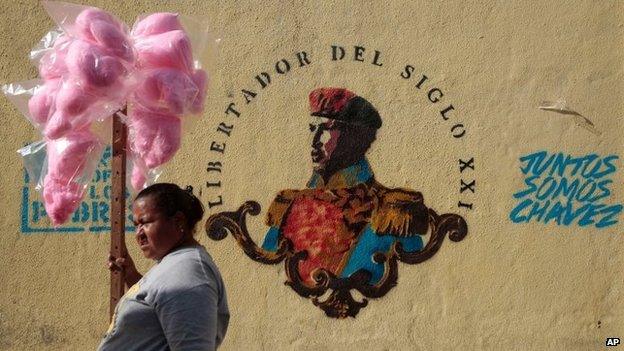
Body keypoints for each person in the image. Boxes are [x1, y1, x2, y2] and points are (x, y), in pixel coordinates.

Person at [261, 87, 427, 286]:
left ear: (355, 138)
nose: (314, 141)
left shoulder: (392, 211)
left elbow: (415, 283)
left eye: (326, 130)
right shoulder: (289, 204)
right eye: (313, 129)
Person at [99, 183, 229, 351]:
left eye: (145, 222)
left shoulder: (188, 271)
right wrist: (131, 275)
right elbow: (158, 306)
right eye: (136, 225)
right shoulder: (177, 264)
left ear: (178, 221)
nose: (139, 234)